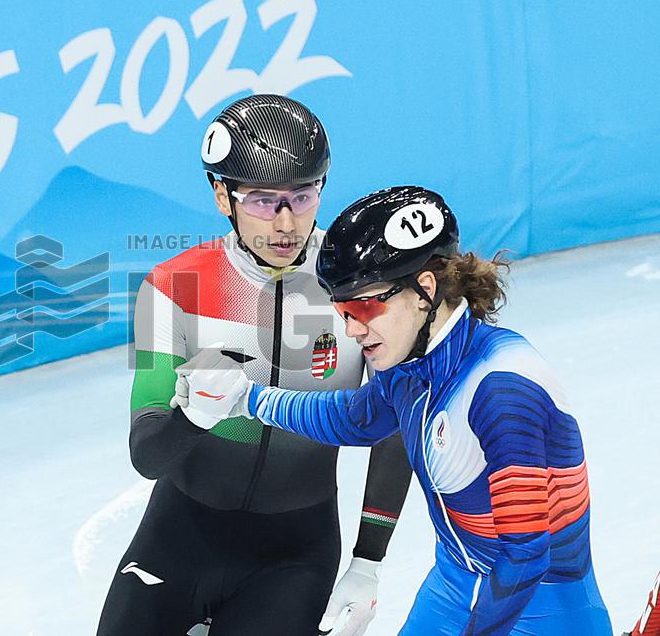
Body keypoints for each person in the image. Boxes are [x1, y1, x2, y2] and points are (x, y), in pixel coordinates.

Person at [174, 185, 614, 635]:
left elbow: (525, 553)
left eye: (364, 306)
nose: (351, 329)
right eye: (342, 309)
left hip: (536, 607)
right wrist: (248, 398)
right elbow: (358, 417)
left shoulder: (502, 391)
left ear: (424, 290)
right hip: (455, 582)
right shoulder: (412, 364)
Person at [96, 95, 414, 636]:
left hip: (293, 554)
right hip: (179, 535)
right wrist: (194, 417)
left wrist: (368, 563)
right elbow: (147, 454)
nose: (287, 222)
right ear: (223, 195)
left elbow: (394, 427)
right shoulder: (174, 286)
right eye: (265, 201)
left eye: (303, 196)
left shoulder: (360, 286)